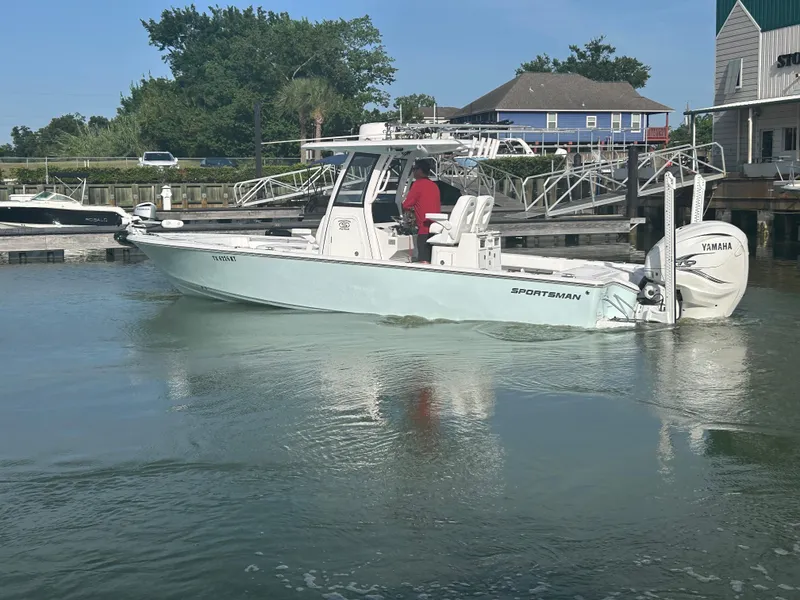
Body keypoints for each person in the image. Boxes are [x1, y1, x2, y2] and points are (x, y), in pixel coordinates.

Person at [402, 159, 441, 263]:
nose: (413, 172)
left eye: (414, 169)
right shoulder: (434, 185)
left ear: (420, 170)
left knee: (423, 260)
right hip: (436, 228)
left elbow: (406, 205)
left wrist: (411, 214)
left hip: (424, 229)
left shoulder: (418, 185)